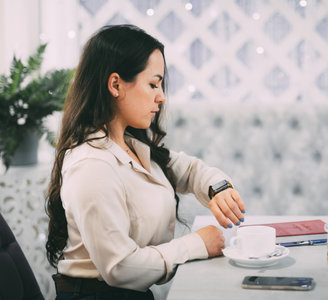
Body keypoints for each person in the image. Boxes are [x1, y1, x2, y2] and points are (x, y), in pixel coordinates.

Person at [45, 24, 246, 299]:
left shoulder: (131, 146)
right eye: (153, 84)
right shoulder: (91, 166)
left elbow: (189, 170)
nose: (161, 97)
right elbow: (120, 268)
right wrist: (197, 244)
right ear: (115, 84)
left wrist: (219, 188)